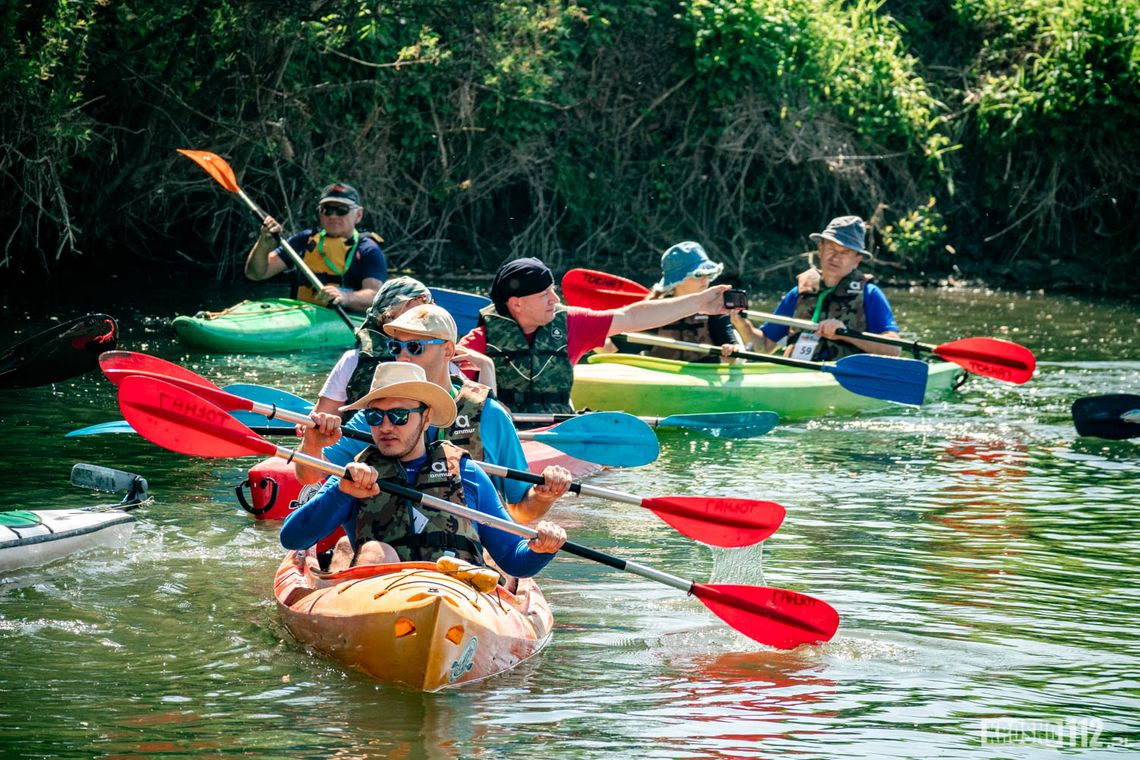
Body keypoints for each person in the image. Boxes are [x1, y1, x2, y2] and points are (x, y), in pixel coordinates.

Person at [280, 362, 567, 575]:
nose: (386, 427)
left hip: (456, 601)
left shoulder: (466, 473)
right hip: (378, 603)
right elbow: (292, 538)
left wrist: (542, 549)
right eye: (375, 416)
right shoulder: (355, 475)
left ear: (426, 418)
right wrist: (342, 493)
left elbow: (513, 560)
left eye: (399, 416)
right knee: (375, 551)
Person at [297, 303, 572, 524]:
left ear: (449, 351)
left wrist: (544, 496)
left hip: (470, 555)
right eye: (396, 347)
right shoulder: (379, 414)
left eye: (415, 347)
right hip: (391, 551)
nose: (402, 357)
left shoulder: (490, 415)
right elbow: (309, 477)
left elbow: (521, 510)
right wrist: (312, 443)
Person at [458, 257, 732, 413]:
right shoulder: (476, 343)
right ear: (516, 303)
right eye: (544, 294)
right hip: (509, 438)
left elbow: (633, 316)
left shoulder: (571, 324)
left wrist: (699, 302)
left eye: (553, 289)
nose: (556, 299)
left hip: (557, 430)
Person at [733, 216, 901, 361]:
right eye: (831, 248)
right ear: (820, 249)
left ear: (857, 259)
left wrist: (845, 333)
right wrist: (740, 323)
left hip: (845, 378)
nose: (835, 257)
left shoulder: (870, 294)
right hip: (801, 375)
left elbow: (894, 350)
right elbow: (763, 346)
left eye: (844, 252)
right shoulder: (799, 292)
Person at [244, 182, 388, 312]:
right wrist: (262, 245)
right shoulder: (303, 240)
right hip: (299, 314)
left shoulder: (368, 250)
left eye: (342, 210)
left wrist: (345, 297)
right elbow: (256, 274)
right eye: (327, 209)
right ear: (320, 212)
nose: (333, 216)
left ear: (358, 214)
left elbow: (374, 296)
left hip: (342, 318)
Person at [600, 242, 744, 362]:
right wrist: (589, 328)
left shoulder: (716, 309)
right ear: (677, 281)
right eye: (698, 275)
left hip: (704, 380)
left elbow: (732, 353)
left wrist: (731, 350)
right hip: (664, 379)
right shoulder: (656, 310)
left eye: (708, 274)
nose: (705, 280)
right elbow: (611, 349)